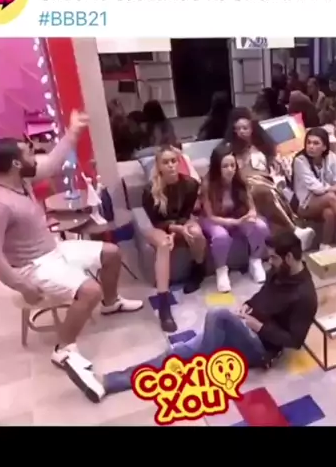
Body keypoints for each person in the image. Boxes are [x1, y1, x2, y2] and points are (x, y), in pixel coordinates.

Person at [63, 232, 318, 404]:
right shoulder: (279, 272)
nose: (269, 262)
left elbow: (294, 341)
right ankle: (109, 382)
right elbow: (264, 295)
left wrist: (258, 326)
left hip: (262, 351)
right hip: (246, 329)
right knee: (174, 355)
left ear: (289, 257)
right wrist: (248, 307)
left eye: (274, 258)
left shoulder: (305, 295)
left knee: (217, 315)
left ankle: (201, 363)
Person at [0, 111, 143, 369]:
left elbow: (53, 163)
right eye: (29, 154)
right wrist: (22, 286)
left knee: (111, 253)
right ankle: (64, 349)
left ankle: (111, 304)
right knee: (90, 291)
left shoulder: (22, 179)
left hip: (53, 249)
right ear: (16, 164)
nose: (36, 156)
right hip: (32, 266)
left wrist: (74, 130)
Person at [225, 107, 315, 250]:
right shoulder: (229, 150)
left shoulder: (263, 146)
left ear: (252, 128)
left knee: (269, 191)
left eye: (245, 128)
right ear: (234, 130)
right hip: (244, 188)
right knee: (262, 190)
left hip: (266, 184)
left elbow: (274, 168)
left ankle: (293, 234)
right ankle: (295, 231)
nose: (242, 131)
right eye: (238, 129)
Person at [141, 145, 206, 332]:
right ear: (159, 166)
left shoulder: (190, 184)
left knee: (196, 233)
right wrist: (172, 230)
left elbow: (185, 214)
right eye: (165, 162)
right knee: (163, 244)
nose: (170, 165)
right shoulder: (150, 190)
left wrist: (180, 229)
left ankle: (198, 270)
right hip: (158, 227)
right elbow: (155, 221)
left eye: (173, 161)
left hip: (180, 222)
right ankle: (164, 304)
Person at [200, 143, 270, 292]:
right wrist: (235, 222)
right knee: (221, 236)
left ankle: (255, 260)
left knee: (260, 226)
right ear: (217, 167)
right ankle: (221, 270)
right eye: (225, 166)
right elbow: (210, 216)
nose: (230, 170)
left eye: (232, 165)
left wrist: (251, 215)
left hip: (236, 216)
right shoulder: (207, 184)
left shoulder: (241, 180)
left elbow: (251, 207)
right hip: (214, 220)